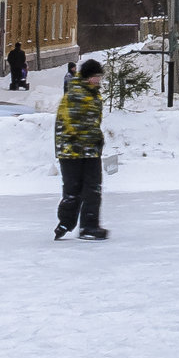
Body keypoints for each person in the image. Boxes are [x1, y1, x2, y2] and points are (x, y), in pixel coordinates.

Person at [54, 59, 108, 241]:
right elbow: (71, 123)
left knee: (93, 188)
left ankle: (89, 226)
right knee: (73, 190)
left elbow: (94, 122)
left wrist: (96, 140)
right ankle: (65, 223)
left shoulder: (93, 94)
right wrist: (92, 137)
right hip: (72, 151)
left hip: (90, 149)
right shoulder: (76, 94)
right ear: (87, 77)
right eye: (95, 77)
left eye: (99, 76)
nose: (98, 80)